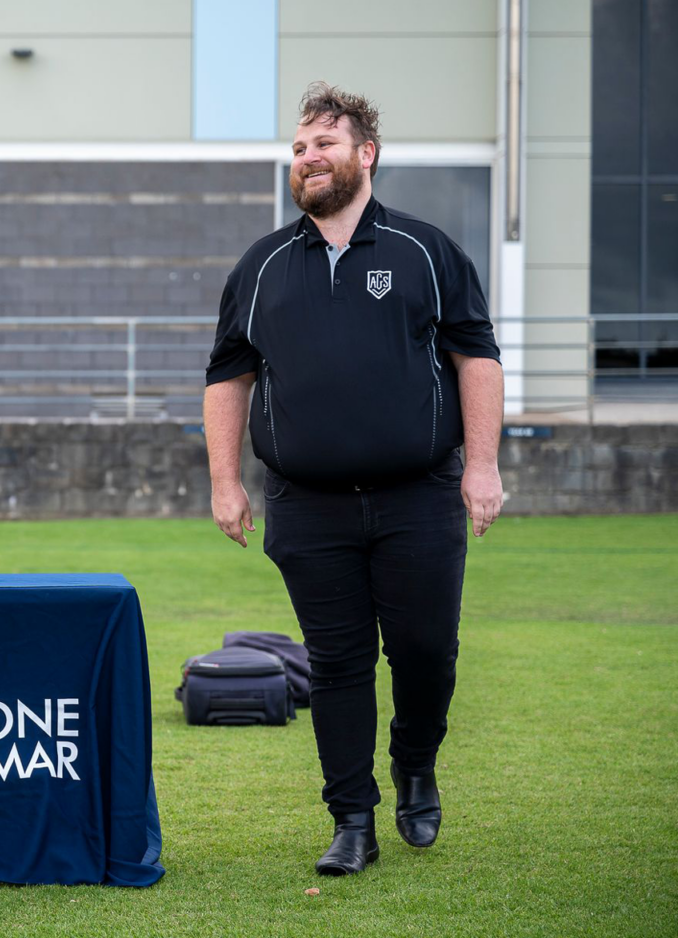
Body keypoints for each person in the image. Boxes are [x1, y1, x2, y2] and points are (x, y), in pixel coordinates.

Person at [203, 82, 503, 876]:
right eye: (299, 148)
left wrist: (482, 465)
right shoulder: (261, 265)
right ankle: (353, 821)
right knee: (336, 665)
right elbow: (228, 376)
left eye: (324, 145)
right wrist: (224, 482)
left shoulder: (425, 252)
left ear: (365, 154)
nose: (307, 159)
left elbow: (477, 357)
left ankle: (416, 765)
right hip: (307, 507)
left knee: (426, 652)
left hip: (418, 499)